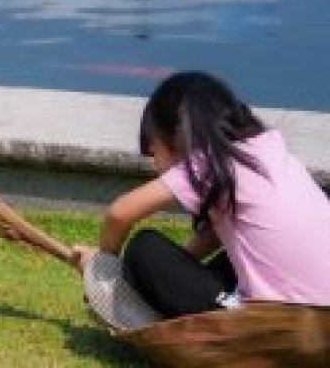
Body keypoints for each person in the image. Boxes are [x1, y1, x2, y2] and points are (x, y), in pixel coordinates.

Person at [73, 71, 330, 318]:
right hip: (319, 316)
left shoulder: (205, 164)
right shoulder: (267, 146)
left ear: (176, 138)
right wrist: (178, 268)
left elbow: (120, 213)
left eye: (154, 152)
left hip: (280, 324)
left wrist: (105, 270)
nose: (156, 166)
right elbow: (216, 237)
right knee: (229, 258)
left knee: (145, 248)